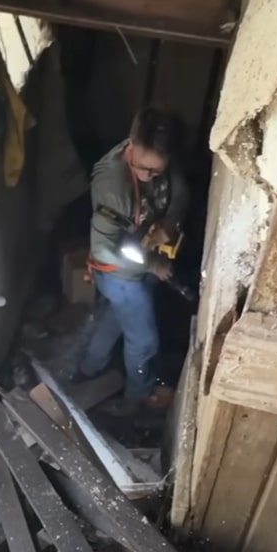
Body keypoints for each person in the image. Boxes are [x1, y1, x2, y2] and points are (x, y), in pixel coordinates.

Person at [75, 107, 188, 412]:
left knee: (115, 319)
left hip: (139, 257)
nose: (148, 177)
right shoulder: (113, 186)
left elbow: (179, 193)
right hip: (117, 271)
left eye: (156, 172)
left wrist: (170, 222)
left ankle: (88, 367)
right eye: (143, 169)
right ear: (131, 144)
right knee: (144, 342)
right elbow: (103, 250)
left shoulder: (160, 156)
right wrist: (153, 264)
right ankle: (138, 396)